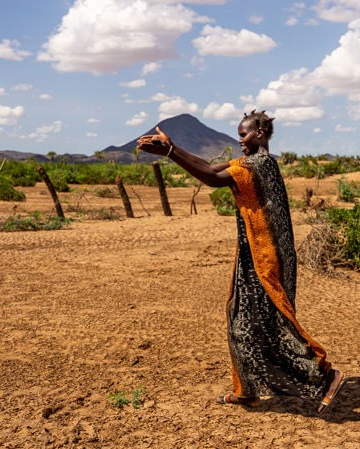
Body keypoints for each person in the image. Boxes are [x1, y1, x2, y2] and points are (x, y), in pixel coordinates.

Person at [136, 110, 347, 414]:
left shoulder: (258, 165)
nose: (240, 140)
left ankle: (326, 376)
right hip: (254, 252)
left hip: (267, 255)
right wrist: (173, 148)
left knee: (274, 321)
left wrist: (170, 152)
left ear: (260, 133)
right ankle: (246, 390)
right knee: (240, 318)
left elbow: (210, 178)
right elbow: (208, 167)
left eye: (244, 134)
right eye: (238, 135)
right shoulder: (252, 163)